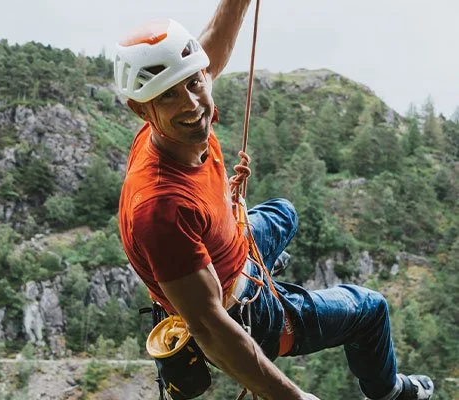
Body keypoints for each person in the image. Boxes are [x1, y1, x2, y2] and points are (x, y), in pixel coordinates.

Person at [115, 1, 434, 399]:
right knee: (369, 308)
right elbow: (211, 328)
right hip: (243, 311)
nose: (192, 105)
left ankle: (258, 260)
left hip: (225, 251)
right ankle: (389, 391)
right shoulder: (161, 210)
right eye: (168, 97)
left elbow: (211, 51)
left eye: (194, 83)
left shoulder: (170, 125)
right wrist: (294, 398)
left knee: (284, 212)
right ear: (140, 109)